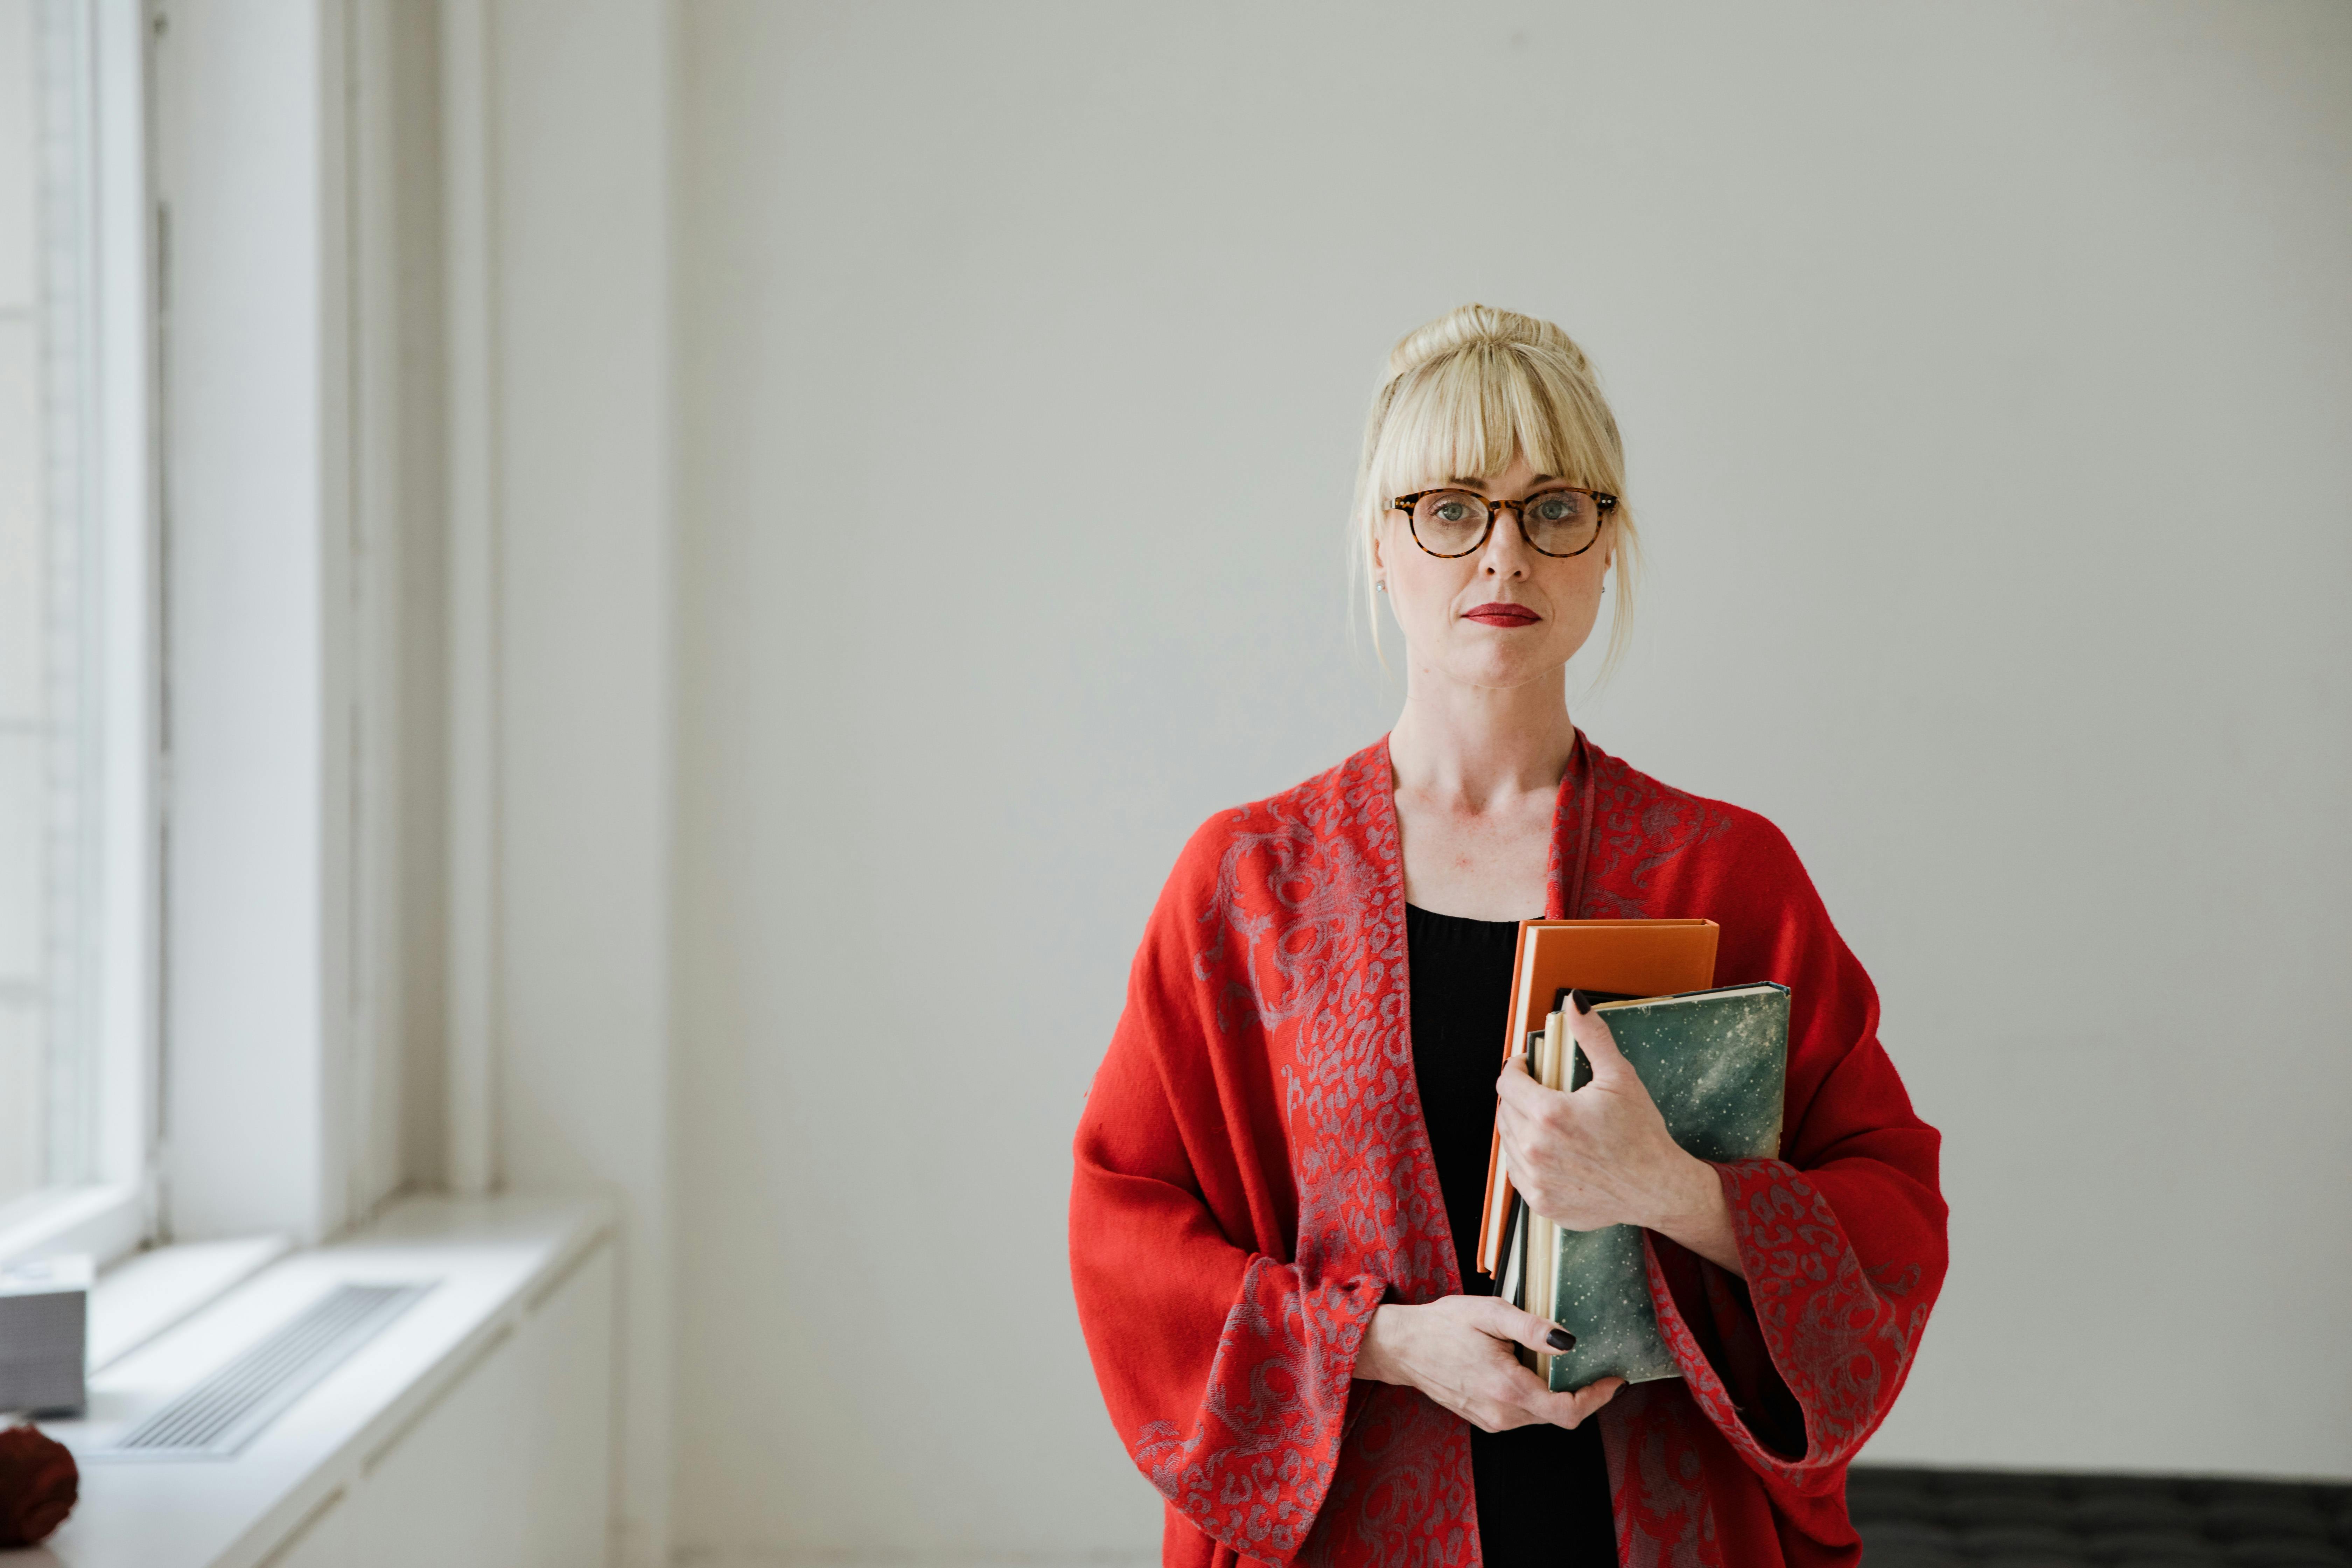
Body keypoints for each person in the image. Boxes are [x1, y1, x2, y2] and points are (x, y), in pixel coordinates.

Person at [1068, 303, 1947, 1568]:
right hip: (1360, 1527)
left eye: (1553, 510)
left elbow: (1892, 1213)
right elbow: (1125, 1232)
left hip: (1656, 1526)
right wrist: (1382, 1344)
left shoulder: (1725, 876)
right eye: (1450, 508)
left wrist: (1681, 1194)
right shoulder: (1252, 888)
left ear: (1604, 548)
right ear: (1382, 544)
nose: (1504, 557)